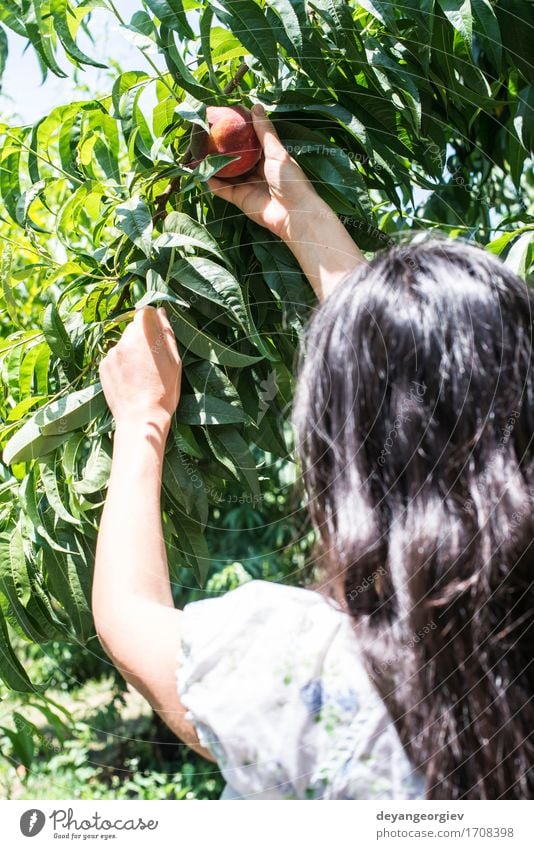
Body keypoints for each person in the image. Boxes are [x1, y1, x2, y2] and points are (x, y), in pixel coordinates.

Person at [94, 104, 534, 800]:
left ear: (342, 456)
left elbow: (129, 617)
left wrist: (141, 421)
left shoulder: (308, 670)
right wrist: (296, 213)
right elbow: (421, 403)